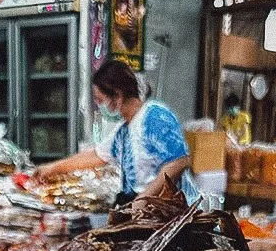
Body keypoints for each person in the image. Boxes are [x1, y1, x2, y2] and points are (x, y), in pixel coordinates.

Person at [34, 59, 196, 203]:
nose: (98, 106)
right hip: (142, 204)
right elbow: (96, 155)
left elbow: (179, 161)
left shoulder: (155, 116)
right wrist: (51, 168)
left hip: (168, 208)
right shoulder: (123, 130)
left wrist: (145, 197)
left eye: (100, 100)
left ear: (117, 96)